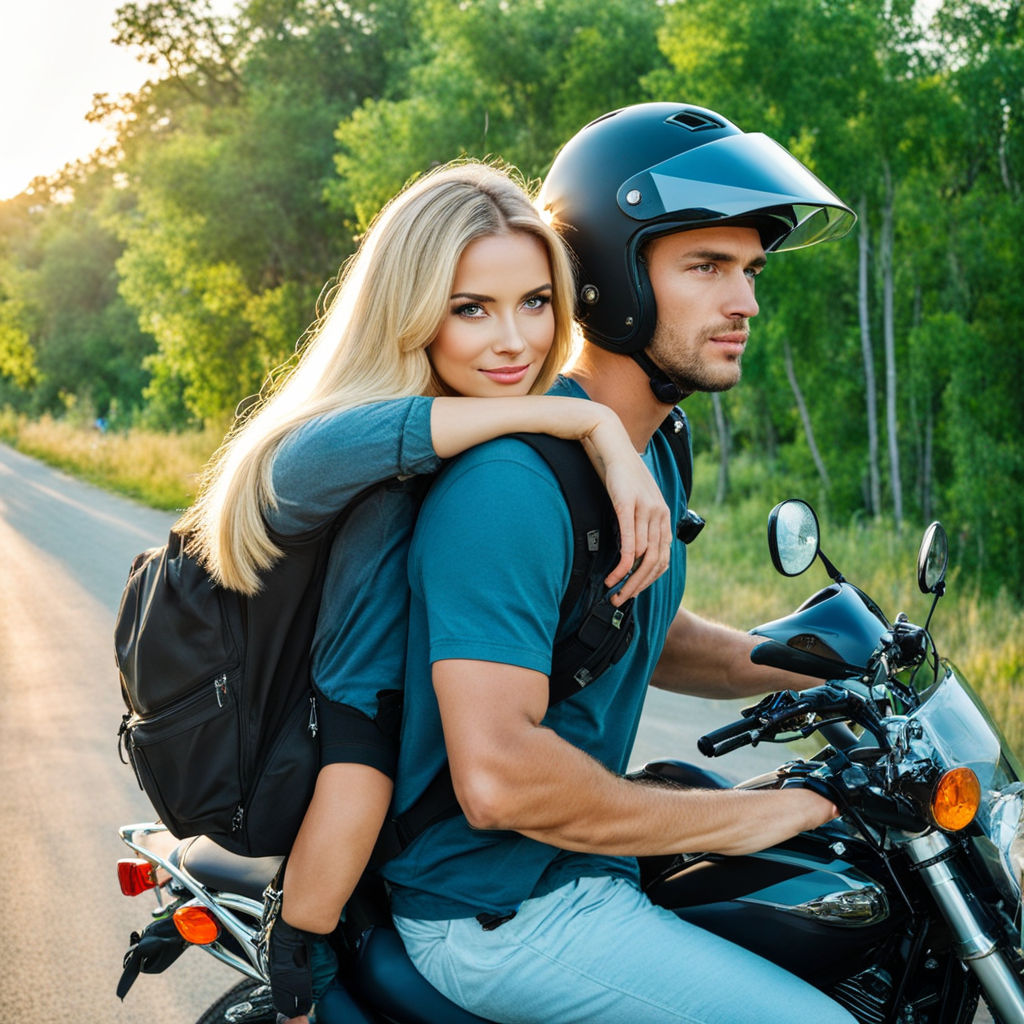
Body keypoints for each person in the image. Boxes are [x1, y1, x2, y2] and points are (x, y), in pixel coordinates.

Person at [382, 103, 861, 1023]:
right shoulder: (512, 487)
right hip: (497, 909)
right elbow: (501, 778)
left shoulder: (653, 445)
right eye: (708, 267)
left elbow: (632, 622)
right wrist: (752, 812)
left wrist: (806, 658)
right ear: (608, 276)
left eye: (751, 270)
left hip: (581, 863)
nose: (747, 303)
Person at [174, 159, 672, 1022]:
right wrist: (587, 419)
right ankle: (293, 975)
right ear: (410, 314)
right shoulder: (326, 437)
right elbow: (399, 435)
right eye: (469, 308)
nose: (513, 342)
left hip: (399, 721)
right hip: (343, 722)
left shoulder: (480, 435)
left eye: (535, 302)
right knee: (339, 851)